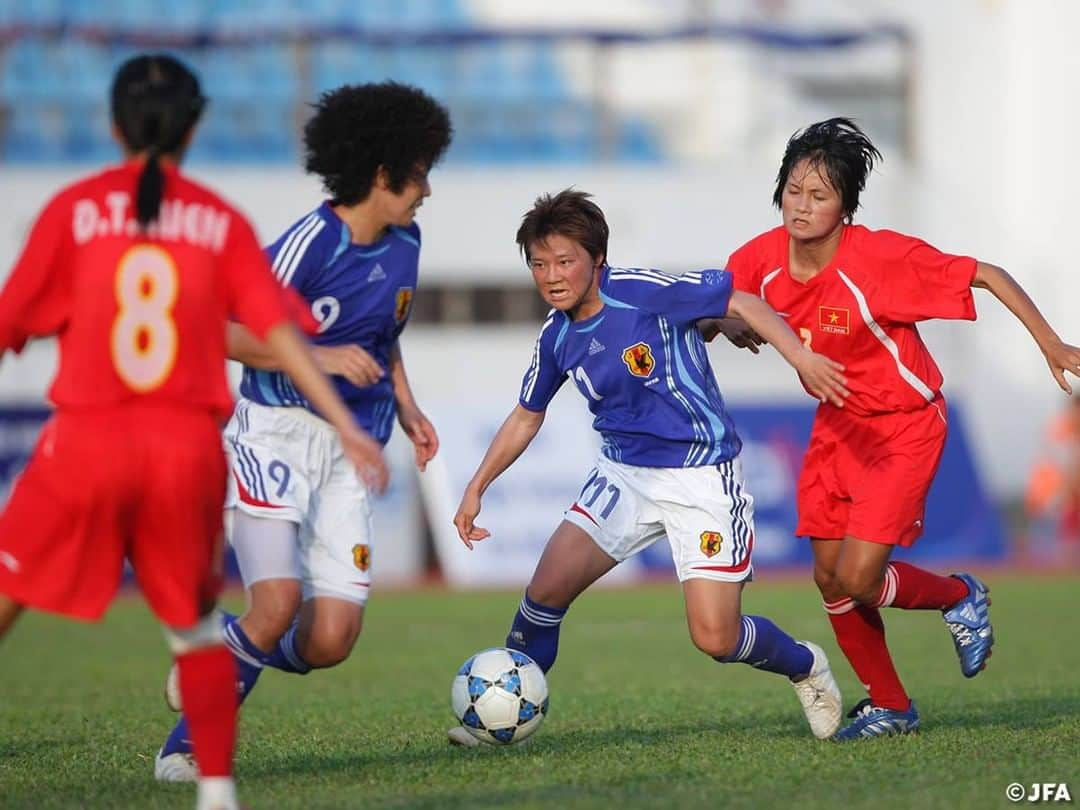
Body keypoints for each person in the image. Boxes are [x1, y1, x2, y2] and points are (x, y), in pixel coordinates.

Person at [0, 55, 388, 810]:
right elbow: (279, 333)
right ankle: (216, 791)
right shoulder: (220, 222)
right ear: (195, 127)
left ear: (114, 126)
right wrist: (348, 424)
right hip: (183, 449)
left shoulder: (74, 210)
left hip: (86, 439)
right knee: (194, 627)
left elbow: (11, 321)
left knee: (10, 591)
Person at [713, 117, 1080, 739]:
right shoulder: (759, 259)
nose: (801, 208)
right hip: (837, 425)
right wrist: (729, 325)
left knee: (859, 577)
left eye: (819, 196)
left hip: (904, 426)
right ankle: (891, 706)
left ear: (846, 208)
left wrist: (1050, 343)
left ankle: (959, 595)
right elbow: (728, 301)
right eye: (794, 192)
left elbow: (986, 274)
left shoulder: (880, 259)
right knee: (829, 577)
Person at [449, 189, 851, 747]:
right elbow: (525, 416)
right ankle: (499, 721)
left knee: (716, 637)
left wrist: (800, 357)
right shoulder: (557, 336)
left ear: (597, 259)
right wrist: (476, 488)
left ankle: (805, 665)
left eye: (565, 261)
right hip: (624, 477)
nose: (551, 275)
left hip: (701, 476)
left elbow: (743, 302)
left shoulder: (641, 292)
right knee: (543, 595)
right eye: (539, 264)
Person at [156, 81, 453, 780]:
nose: (427, 191)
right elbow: (218, 328)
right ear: (382, 174)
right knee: (277, 603)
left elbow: (383, 338)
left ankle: (224, 658)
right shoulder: (307, 247)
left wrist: (408, 407)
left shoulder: (407, 241)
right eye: (419, 173)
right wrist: (315, 355)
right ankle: (189, 743)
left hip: (356, 451)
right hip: (276, 437)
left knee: (331, 640)